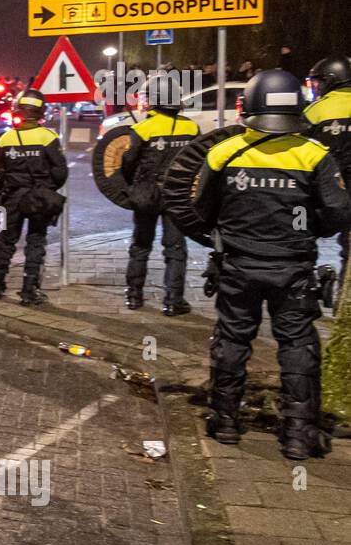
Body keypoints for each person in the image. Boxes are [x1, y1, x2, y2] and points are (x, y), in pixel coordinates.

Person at [194, 69, 351, 460]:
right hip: (293, 269)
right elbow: (336, 214)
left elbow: (199, 208)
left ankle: (225, 422)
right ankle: (299, 437)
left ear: (249, 105)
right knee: (298, 345)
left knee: (232, 340)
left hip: (237, 267)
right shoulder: (315, 154)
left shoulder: (224, 152)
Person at [0, 88, 67, 306]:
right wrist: (47, 188)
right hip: (38, 197)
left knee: (5, 241)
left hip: (12, 197)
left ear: (20, 110)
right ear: (41, 112)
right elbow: (60, 172)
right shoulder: (48, 137)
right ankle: (29, 291)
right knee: (36, 241)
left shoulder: (6, 138)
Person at [120, 93, 199, 314]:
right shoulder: (191, 128)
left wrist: (133, 186)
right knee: (175, 247)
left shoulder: (143, 129)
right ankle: (174, 301)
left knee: (141, 244)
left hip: (147, 194)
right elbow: (199, 160)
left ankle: (134, 296)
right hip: (177, 194)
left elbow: (128, 161)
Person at [304, 55, 351, 279]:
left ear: (331, 80)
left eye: (318, 82)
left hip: (327, 192)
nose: (316, 88)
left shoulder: (317, 111)